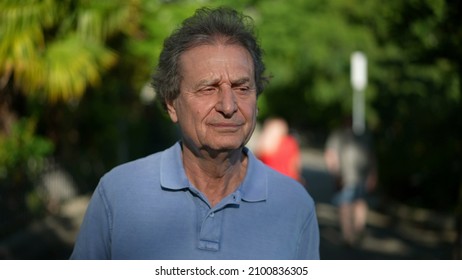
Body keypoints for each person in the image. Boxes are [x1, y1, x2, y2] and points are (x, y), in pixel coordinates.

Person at [70, 6, 319, 260]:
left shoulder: (295, 205)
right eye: (208, 88)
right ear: (171, 104)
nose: (228, 106)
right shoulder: (119, 194)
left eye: (242, 88)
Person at [324, 119, 377, 246]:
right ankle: (355, 232)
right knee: (357, 203)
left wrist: (334, 172)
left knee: (347, 204)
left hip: (348, 176)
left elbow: (330, 154)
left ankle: (348, 235)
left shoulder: (339, 136)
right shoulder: (360, 136)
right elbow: (372, 156)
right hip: (354, 176)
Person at [255, 117, 303, 183]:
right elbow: (296, 165)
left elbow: (256, 164)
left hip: (268, 181)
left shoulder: (264, 144)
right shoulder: (290, 142)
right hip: (288, 180)